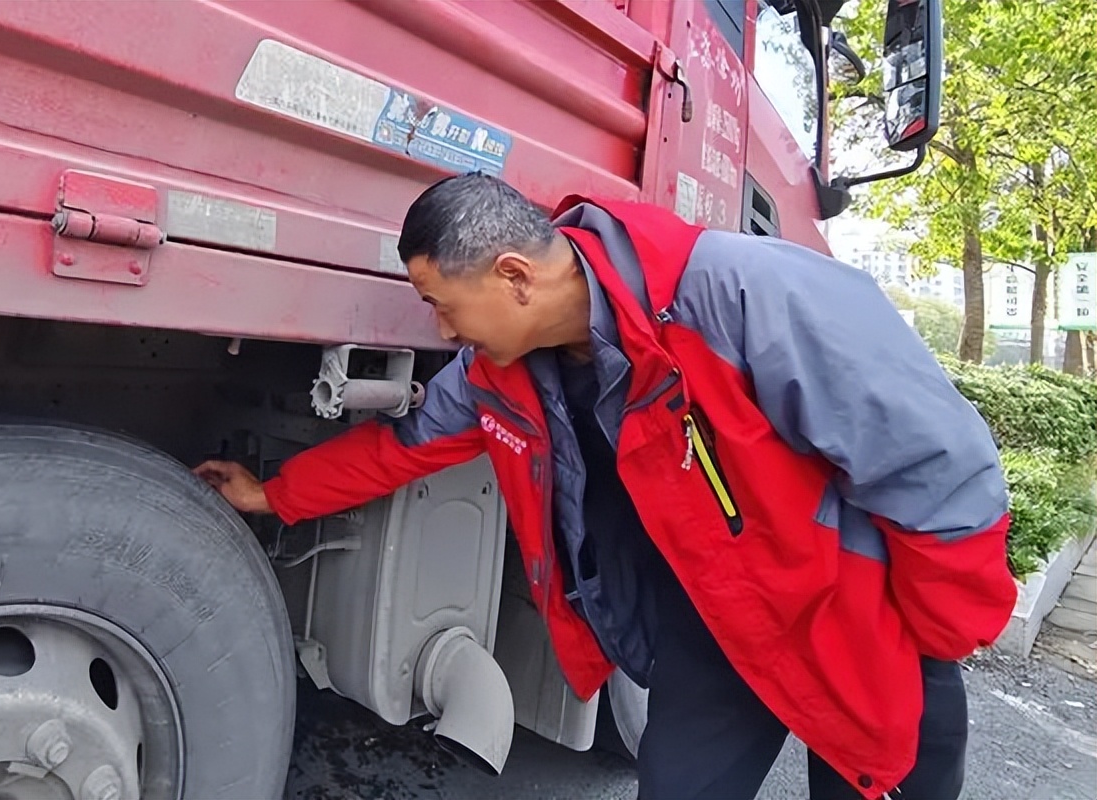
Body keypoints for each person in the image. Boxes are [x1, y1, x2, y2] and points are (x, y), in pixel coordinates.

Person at [195, 173, 1016, 799]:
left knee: (880, 777)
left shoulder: (740, 293)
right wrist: (276, 495)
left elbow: (932, 460)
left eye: (443, 305)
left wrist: (942, 632)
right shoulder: (497, 376)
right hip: (715, 627)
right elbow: (405, 445)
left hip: (858, 610)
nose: (442, 331)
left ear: (515, 277)